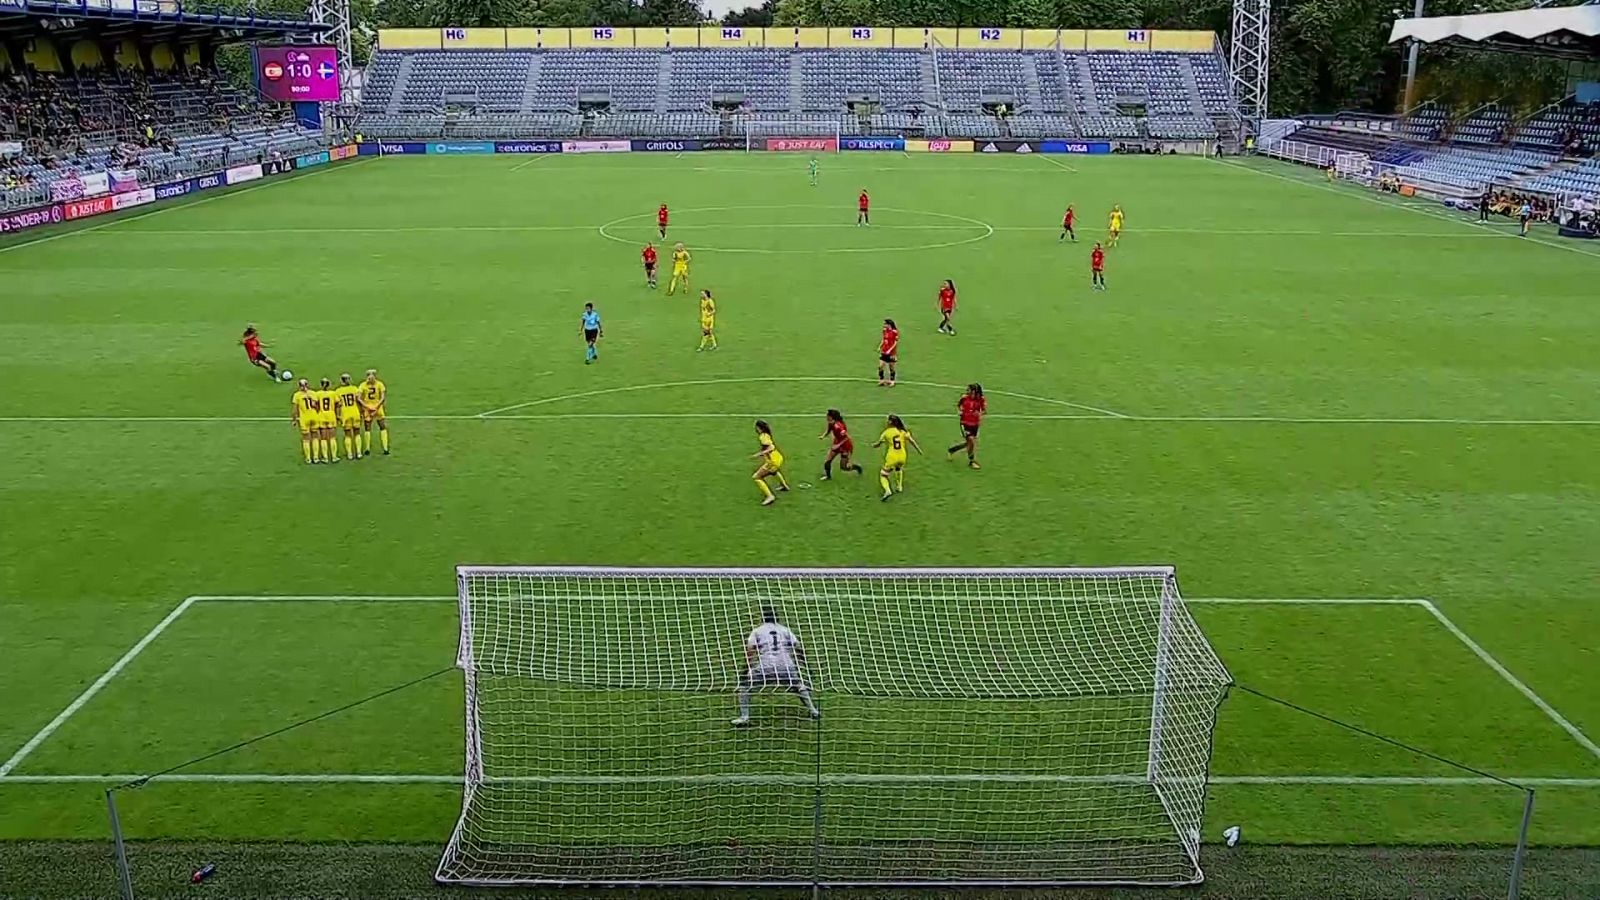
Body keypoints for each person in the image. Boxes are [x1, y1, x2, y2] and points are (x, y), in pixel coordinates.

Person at [731, 606, 820, 726]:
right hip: (786, 666)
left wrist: (745, 670)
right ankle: (814, 711)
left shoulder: (757, 631)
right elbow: (798, 649)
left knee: (744, 686)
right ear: (777, 616)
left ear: (763, 617)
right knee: (798, 686)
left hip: (765, 667)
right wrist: (807, 667)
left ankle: (744, 717)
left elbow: (750, 651)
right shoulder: (785, 630)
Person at [873, 414, 922, 501]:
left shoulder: (886, 432)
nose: (886, 422)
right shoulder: (902, 431)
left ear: (891, 422)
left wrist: (874, 445)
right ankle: (899, 487)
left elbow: (878, 443)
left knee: (883, 475)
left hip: (892, 456)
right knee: (898, 468)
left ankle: (887, 490)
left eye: (888, 420)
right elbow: (912, 441)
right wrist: (919, 450)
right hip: (902, 456)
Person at [751, 419, 790, 506]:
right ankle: (784, 486)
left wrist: (759, 454)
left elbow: (771, 448)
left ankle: (770, 496)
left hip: (772, 461)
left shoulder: (762, 437)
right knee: (774, 471)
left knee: (756, 477)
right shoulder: (766, 434)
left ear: (758, 428)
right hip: (778, 458)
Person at [947, 383, 986, 469]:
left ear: (974, 391)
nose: (966, 391)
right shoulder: (964, 398)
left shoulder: (980, 399)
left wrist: (979, 413)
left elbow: (984, 410)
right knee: (971, 440)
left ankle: (951, 450)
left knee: (968, 444)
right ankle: (972, 462)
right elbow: (958, 405)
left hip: (975, 424)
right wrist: (960, 411)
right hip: (964, 423)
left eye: (968, 390)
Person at [819, 408, 863, 480]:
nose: (826, 416)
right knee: (827, 461)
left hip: (845, 446)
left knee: (844, 467)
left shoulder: (839, 426)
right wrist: (823, 436)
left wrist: (838, 445)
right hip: (837, 443)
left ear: (831, 417)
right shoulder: (831, 423)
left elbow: (846, 437)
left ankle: (857, 468)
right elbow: (829, 430)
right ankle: (828, 476)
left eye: (827, 415)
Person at [359, 368, 390, 456]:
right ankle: (385, 448)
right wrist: (376, 407)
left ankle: (367, 449)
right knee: (382, 427)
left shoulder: (363, 385)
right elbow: (383, 397)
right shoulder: (380, 384)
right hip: (378, 408)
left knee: (367, 428)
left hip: (367, 408)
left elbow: (359, 398)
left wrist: (367, 407)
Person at [335, 373, 364, 461]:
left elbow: (338, 405)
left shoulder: (338, 391)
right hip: (355, 412)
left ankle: (350, 454)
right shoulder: (355, 389)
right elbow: (359, 401)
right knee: (357, 433)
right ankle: (358, 453)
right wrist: (361, 411)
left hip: (345, 414)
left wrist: (338, 415)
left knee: (347, 434)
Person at [291, 378, 317, 464]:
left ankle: (308, 458)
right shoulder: (313, 393)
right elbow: (316, 406)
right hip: (314, 417)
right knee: (315, 437)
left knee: (306, 439)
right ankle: (316, 457)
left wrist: (294, 420)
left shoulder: (297, 395)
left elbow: (295, 409)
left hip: (304, 419)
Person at [315, 377, 340, 463]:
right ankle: (334, 457)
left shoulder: (317, 394)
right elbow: (338, 404)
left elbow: (315, 404)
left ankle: (325, 458)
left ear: (321, 385)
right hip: (331, 415)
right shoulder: (333, 393)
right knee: (332, 437)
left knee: (323, 438)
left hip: (321, 416)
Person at [877, 318, 899, 387]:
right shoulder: (884, 331)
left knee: (891, 367)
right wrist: (880, 346)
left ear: (888, 324)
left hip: (891, 353)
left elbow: (895, 342)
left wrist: (890, 350)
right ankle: (881, 380)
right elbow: (884, 339)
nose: (884, 325)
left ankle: (892, 381)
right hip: (884, 351)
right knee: (880, 366)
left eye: (885, 324)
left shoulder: (894, 332)